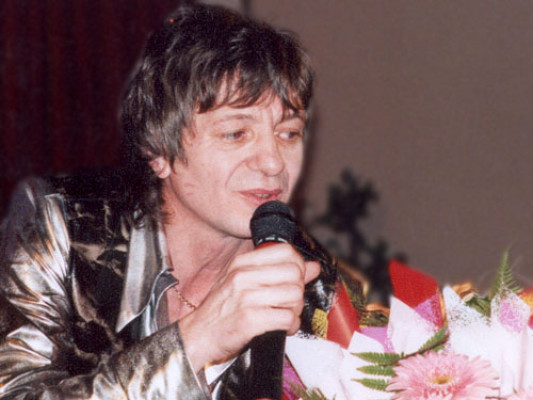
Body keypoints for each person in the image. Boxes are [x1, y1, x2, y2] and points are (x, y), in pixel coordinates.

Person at [0, 4, 362, 399]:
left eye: (289, 133)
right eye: (236, 133)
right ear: (158, 151)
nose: (274, 162)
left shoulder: (314, 283)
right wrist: (197, 339)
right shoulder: (64, 225)